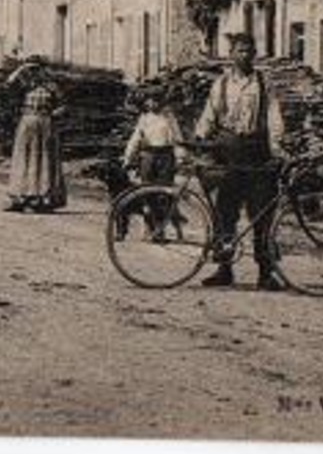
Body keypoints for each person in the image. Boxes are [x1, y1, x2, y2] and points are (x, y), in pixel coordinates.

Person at [193, 32, 285, 289]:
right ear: (231, 54)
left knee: (262, 214)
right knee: (226, 212)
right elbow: (209, 115)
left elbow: (274, 117)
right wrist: (199, 140)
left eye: (248, 51)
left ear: (254, 54)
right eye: (239, 51)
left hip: (257, 151)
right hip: (228, 151)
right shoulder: (221, 84)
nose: (244, 55)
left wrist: (276, 149)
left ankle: (266, 273)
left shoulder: (264, 84)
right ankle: (224, 269)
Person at [121, 94, 187, 239]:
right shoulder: (144, 118)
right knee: (146, 193)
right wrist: (128, 157)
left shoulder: (169, 117)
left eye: (157, 100)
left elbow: (177, 138)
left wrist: (181, 157)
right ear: (147, 102)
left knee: (163, 194)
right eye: (151, 101)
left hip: (165, 157)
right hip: (148, 156)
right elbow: (135, 138)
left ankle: (161, 229)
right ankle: (149, 227)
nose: (153, 104)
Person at [6, 83, 66, 212]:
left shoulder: (52, 86)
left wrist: (50, 115)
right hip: (27, 123)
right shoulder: (24, 83)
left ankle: (43, 199)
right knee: (23, 159)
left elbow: (63, 106)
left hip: (44, 124)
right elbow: (10, 92)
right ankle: (20, 197)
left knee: (43, 160)